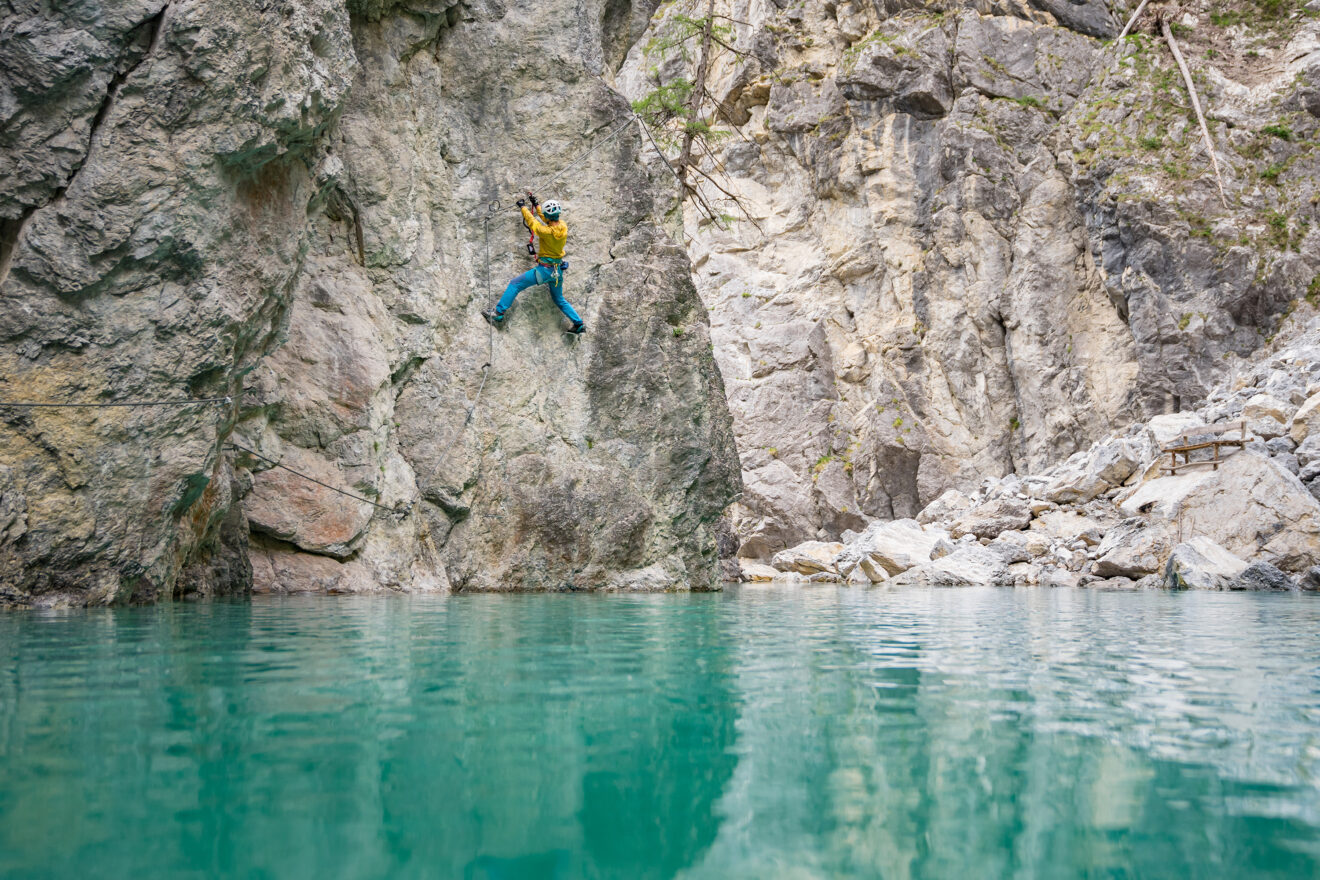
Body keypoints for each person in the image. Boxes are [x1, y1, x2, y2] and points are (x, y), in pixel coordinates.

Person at [483, 194, 585, 334]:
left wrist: (523, 207)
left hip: (544, 271)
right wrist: (536, 204)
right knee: (559, 298)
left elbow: (533, 223)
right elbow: (546, 219)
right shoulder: (562, 226)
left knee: (515, 284)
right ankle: (578, 323)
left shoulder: (545, 231)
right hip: (557, 272)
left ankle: (498, 313)